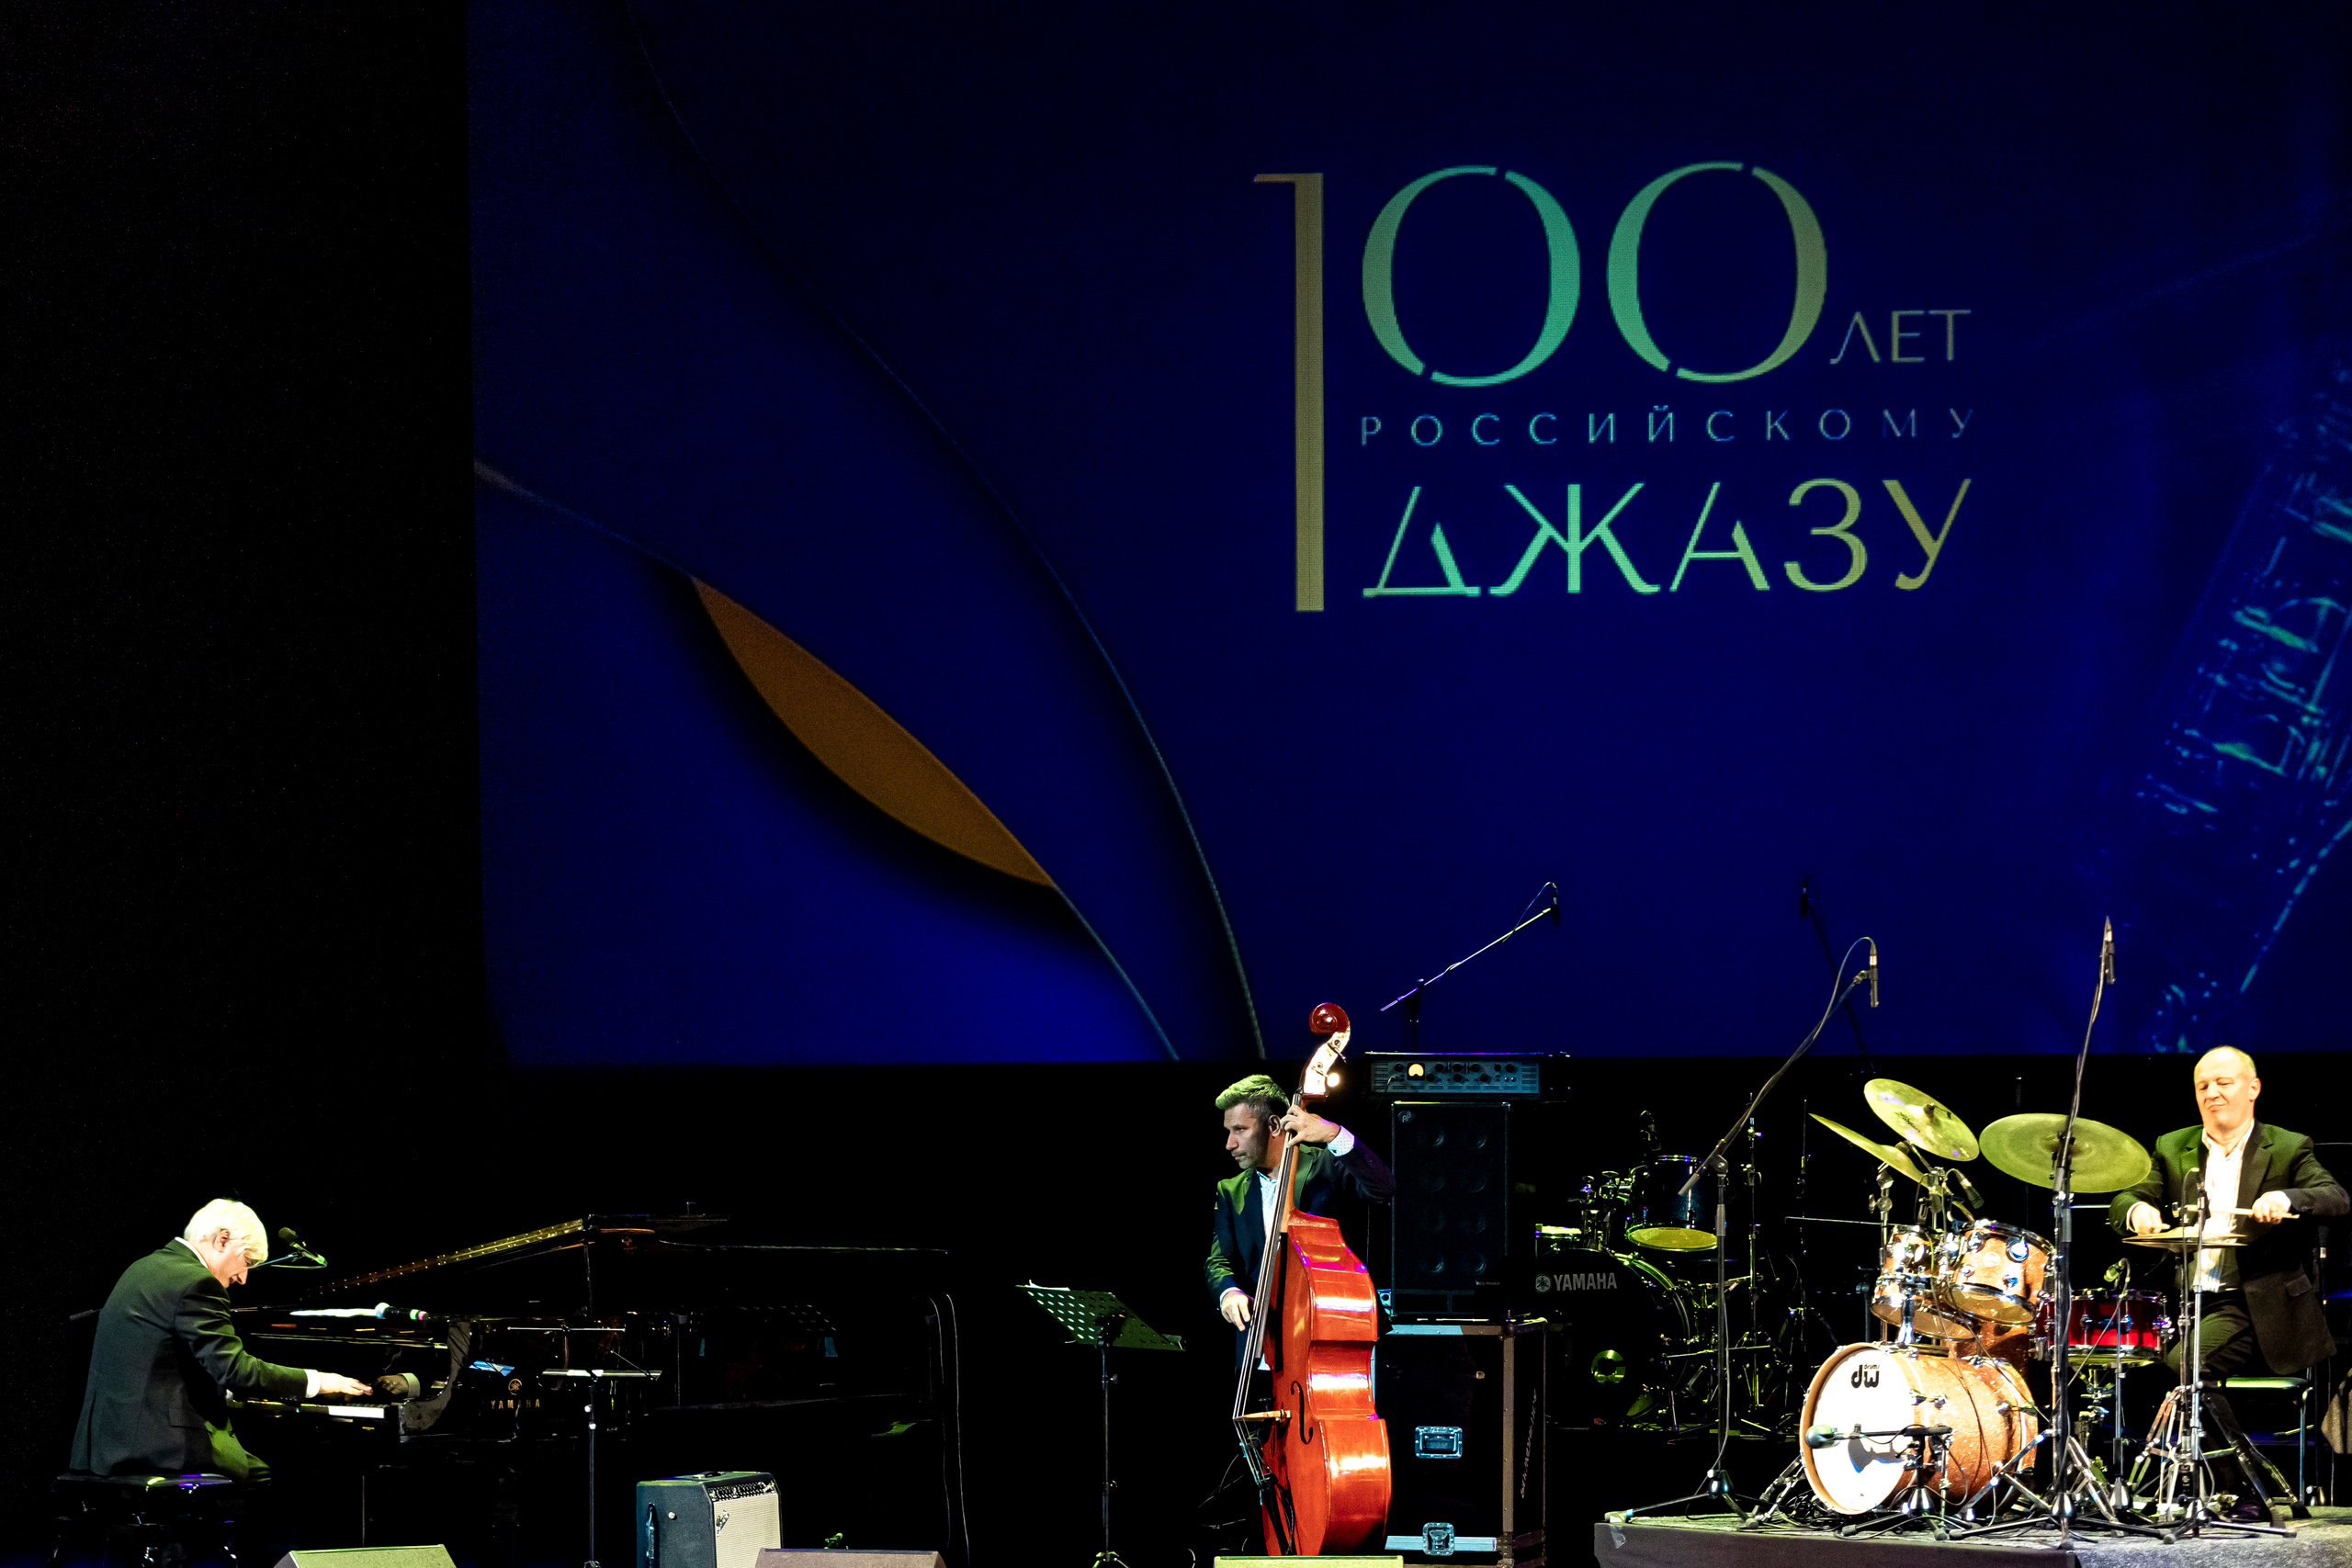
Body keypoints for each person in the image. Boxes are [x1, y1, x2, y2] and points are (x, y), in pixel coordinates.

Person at [2111, 1047, 2346, 1523]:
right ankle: (2222, 1486)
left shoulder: (2288, 1145)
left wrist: (2286, 1197)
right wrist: (2136, 1208)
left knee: (2187, 1366)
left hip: (2258, 1305)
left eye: (2225, 1082)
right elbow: (2129, 1194)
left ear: (2253, 1088)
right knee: (2174, 1367)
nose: (2213, 1093)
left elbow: (2335, 1197)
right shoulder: (2172, 1146)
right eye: (2203, 1087)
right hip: (2191, 1305)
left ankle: (2245, 1488)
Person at [71, 1199, 375, 1483]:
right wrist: (318, 1381)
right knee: (283, 1475)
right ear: (222, 1240)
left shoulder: (144, 1267)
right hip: (159, 1448)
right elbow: (235, 1371)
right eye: (247, 1261)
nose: (243, 1278)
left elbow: (164, 1361)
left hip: (106, 1442)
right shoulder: (197, 1282)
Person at [1204, 1073, 1396, 1363]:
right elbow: (1218, 1260)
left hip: (1333, 1329)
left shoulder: (1326, 1163)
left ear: (1273, 1126)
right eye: (1228, 1131)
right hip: (1264, 1343)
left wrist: (1334, 1134)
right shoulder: (1230, 1190)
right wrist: (1229, 1292)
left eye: (1240, 1129)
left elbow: (1383, 1189)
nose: (1229, 1144)